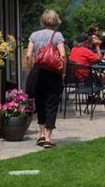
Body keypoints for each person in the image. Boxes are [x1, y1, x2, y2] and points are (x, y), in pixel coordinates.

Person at [24, 9, 66, 149]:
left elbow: (29, 55)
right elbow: (63, 55)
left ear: (43, 21)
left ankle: (41, 134)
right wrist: (63, 71)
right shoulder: (57, 35)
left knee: (40, 103)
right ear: (55, 21)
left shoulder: (34, 35)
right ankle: (48, 137)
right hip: (53, 73)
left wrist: (31, 70)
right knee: (52, 104)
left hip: (38, 71)